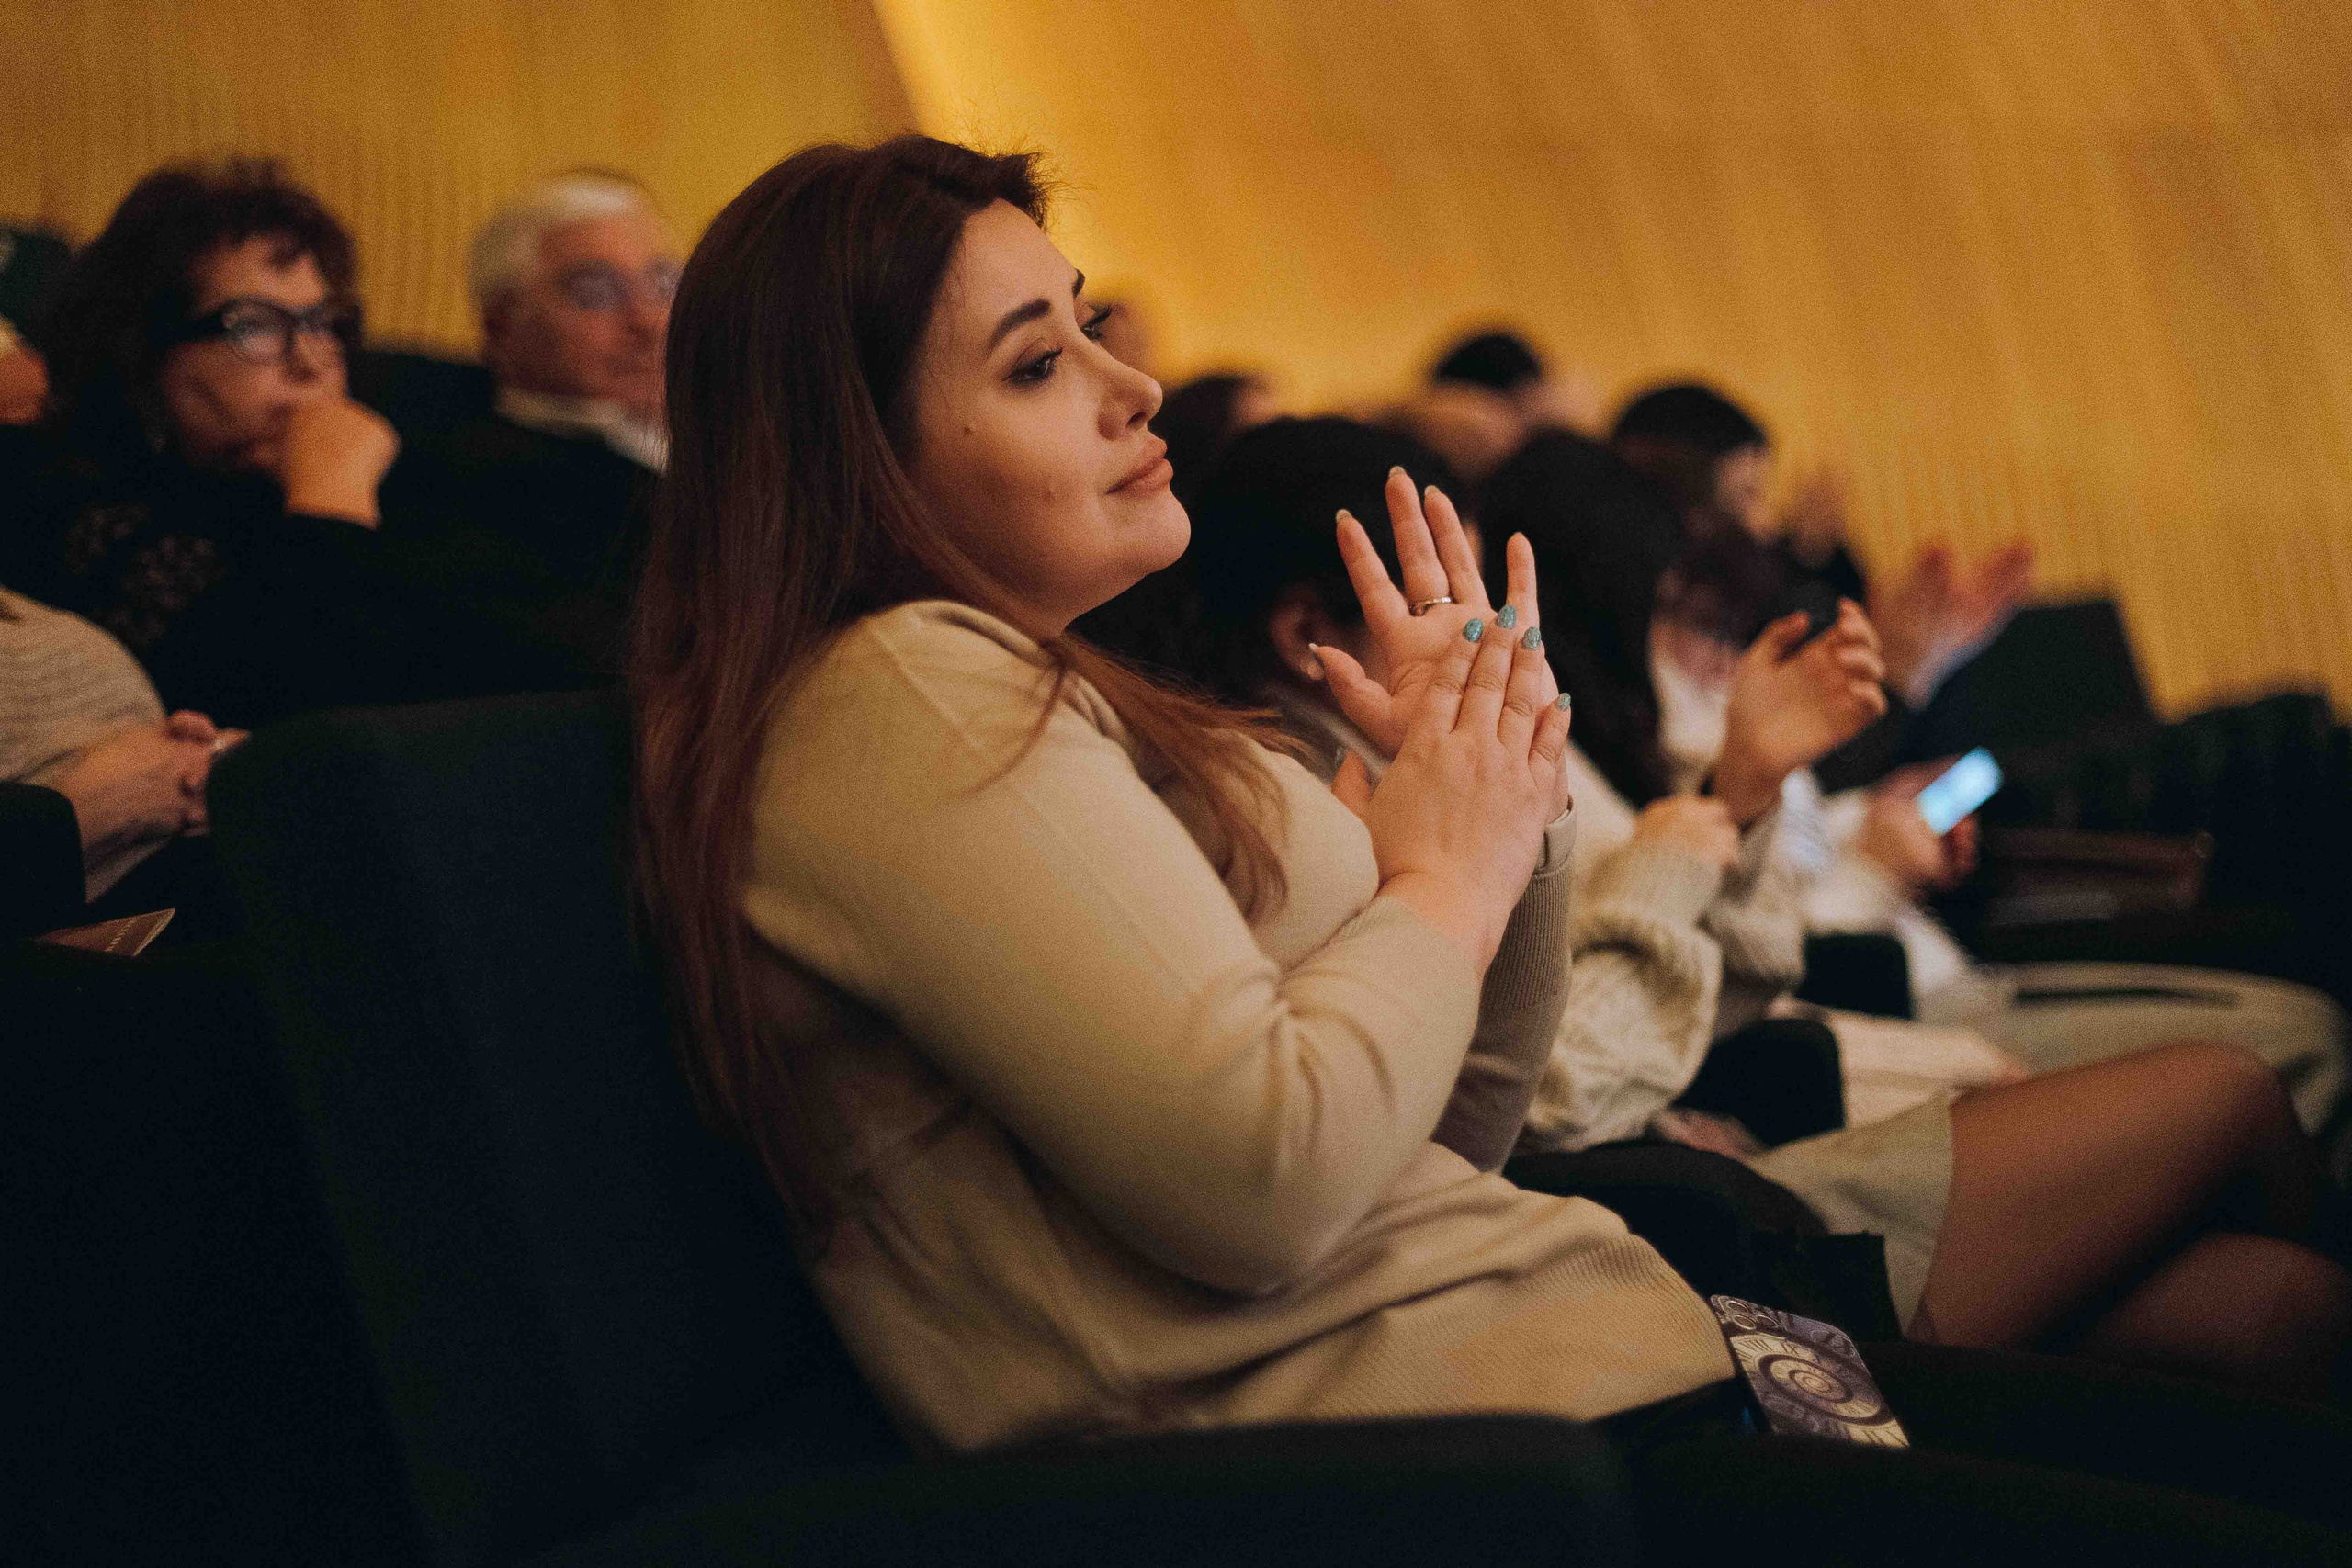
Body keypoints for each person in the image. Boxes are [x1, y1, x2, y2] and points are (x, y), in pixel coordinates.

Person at [628, 136, 2352, 1559]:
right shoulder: (901, 693)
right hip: (1485, 1441)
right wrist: (1441, 865)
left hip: (1563, 1324)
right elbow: (1270, 1171)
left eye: (1086, 324)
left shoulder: (1048, 694)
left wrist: (1503, 808)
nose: (1128, 380)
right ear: (859, 463)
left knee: (2272, 1315)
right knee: (2250, 1225)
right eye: (1034, 362)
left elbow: (1453, 1128)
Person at [0, 160, 431, 728]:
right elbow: (297, 719)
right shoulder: (66, 507)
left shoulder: (409, 475)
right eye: (252, 326)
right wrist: (330, 497)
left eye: (322, 322)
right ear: (145, 353)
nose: (308, 361)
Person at [377, 172, 681, 685]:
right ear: (501, 326)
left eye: (663, 283)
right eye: (596, 292)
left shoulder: (742, 431)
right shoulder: (479, 478)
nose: (648, 322)